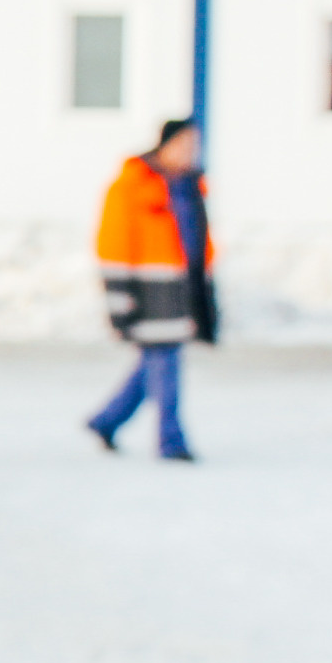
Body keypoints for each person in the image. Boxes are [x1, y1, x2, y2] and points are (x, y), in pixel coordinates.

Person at [87, 117, 215, 462]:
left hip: (181, 291)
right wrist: (119, 300)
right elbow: (113, 244)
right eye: (184, 145)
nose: (190, 153)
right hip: (147, 294)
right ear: (165, 145)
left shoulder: (189, 187)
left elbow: (196, 243)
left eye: (195, 146)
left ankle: (107, 420)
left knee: (154, 364)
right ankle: (171, 440)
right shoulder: (132, 186)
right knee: (166, 364)